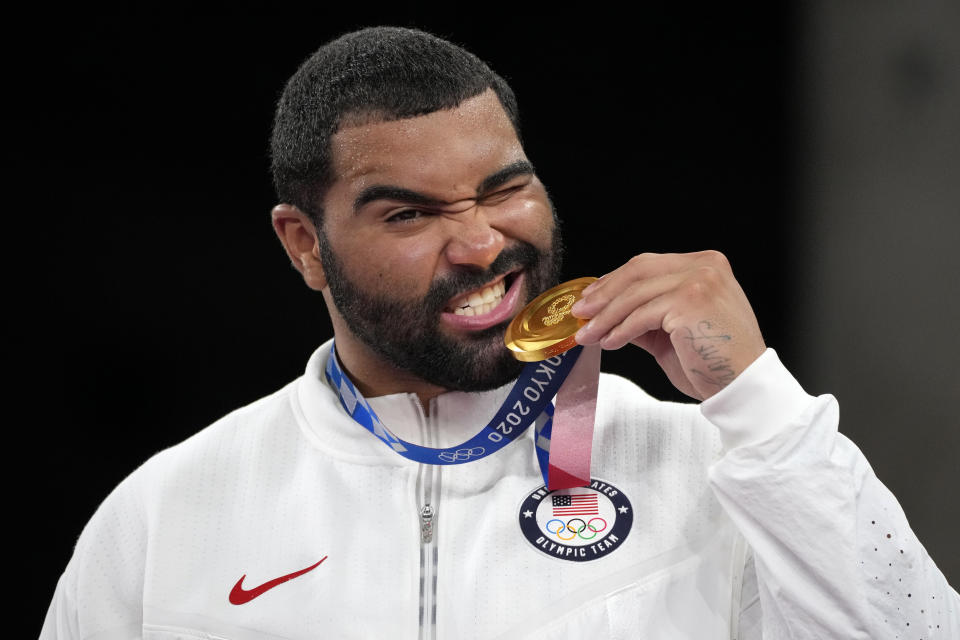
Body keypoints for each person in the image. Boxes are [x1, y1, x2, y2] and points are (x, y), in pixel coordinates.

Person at [41, 26, 958, 640]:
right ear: (304, 246)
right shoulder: (167, 516)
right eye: (408, 215)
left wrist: (758, 402)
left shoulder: (710, 466)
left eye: (502, 189)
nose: (482, 242)